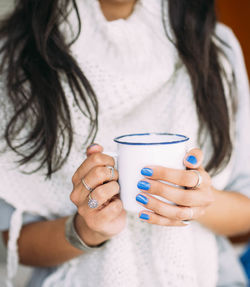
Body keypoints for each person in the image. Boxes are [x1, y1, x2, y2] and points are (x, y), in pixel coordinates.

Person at [0, 0, 249, 286]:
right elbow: (16, 240)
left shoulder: (217, 47)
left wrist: (200, 202)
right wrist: (85, 231)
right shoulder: (15, 58)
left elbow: (246, 207)